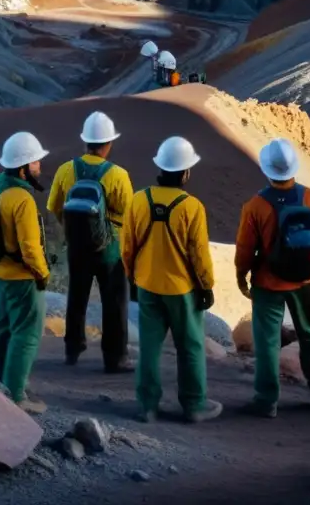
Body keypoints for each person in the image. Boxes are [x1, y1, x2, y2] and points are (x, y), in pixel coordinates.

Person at [121, 136, 222, 424]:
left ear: (160, 168)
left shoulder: (139, 200)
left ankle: (147, 406)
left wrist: (132, 278)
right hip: (182, 290)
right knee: (190, 347)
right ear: (186, 172)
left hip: (147, 286)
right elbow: (199, 255)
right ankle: (194, 405)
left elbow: (126, 246)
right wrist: (206, 286)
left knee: (149, 348)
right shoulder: (192, 207)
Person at [235, 139, 310, 418]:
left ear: (268, 170)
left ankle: (267, 400)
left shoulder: (255, 205)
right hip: (306, 280)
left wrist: (242, 275)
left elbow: (245, 248)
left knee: (266, 340)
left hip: (268, 282)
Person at [47, 111, 135, 373]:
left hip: (77, 247)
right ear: (108, 144)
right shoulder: (118, 175)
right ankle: (115, 357)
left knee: (76, 296)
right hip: (109, 250)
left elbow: (54, 207)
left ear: (85, 141)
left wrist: (71, 229)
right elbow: (130, 215)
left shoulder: (65, 170)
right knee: (114, 301)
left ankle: (72, 349)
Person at [0, 131, 52, 413]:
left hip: (1, 272)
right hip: (23, 277)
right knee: (26, 334)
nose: (39, 166)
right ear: (23, 167)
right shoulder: (22, 200)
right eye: (36, 162)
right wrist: (42, 273)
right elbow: (29, 246)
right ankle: (14, 395)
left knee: (3, 329)